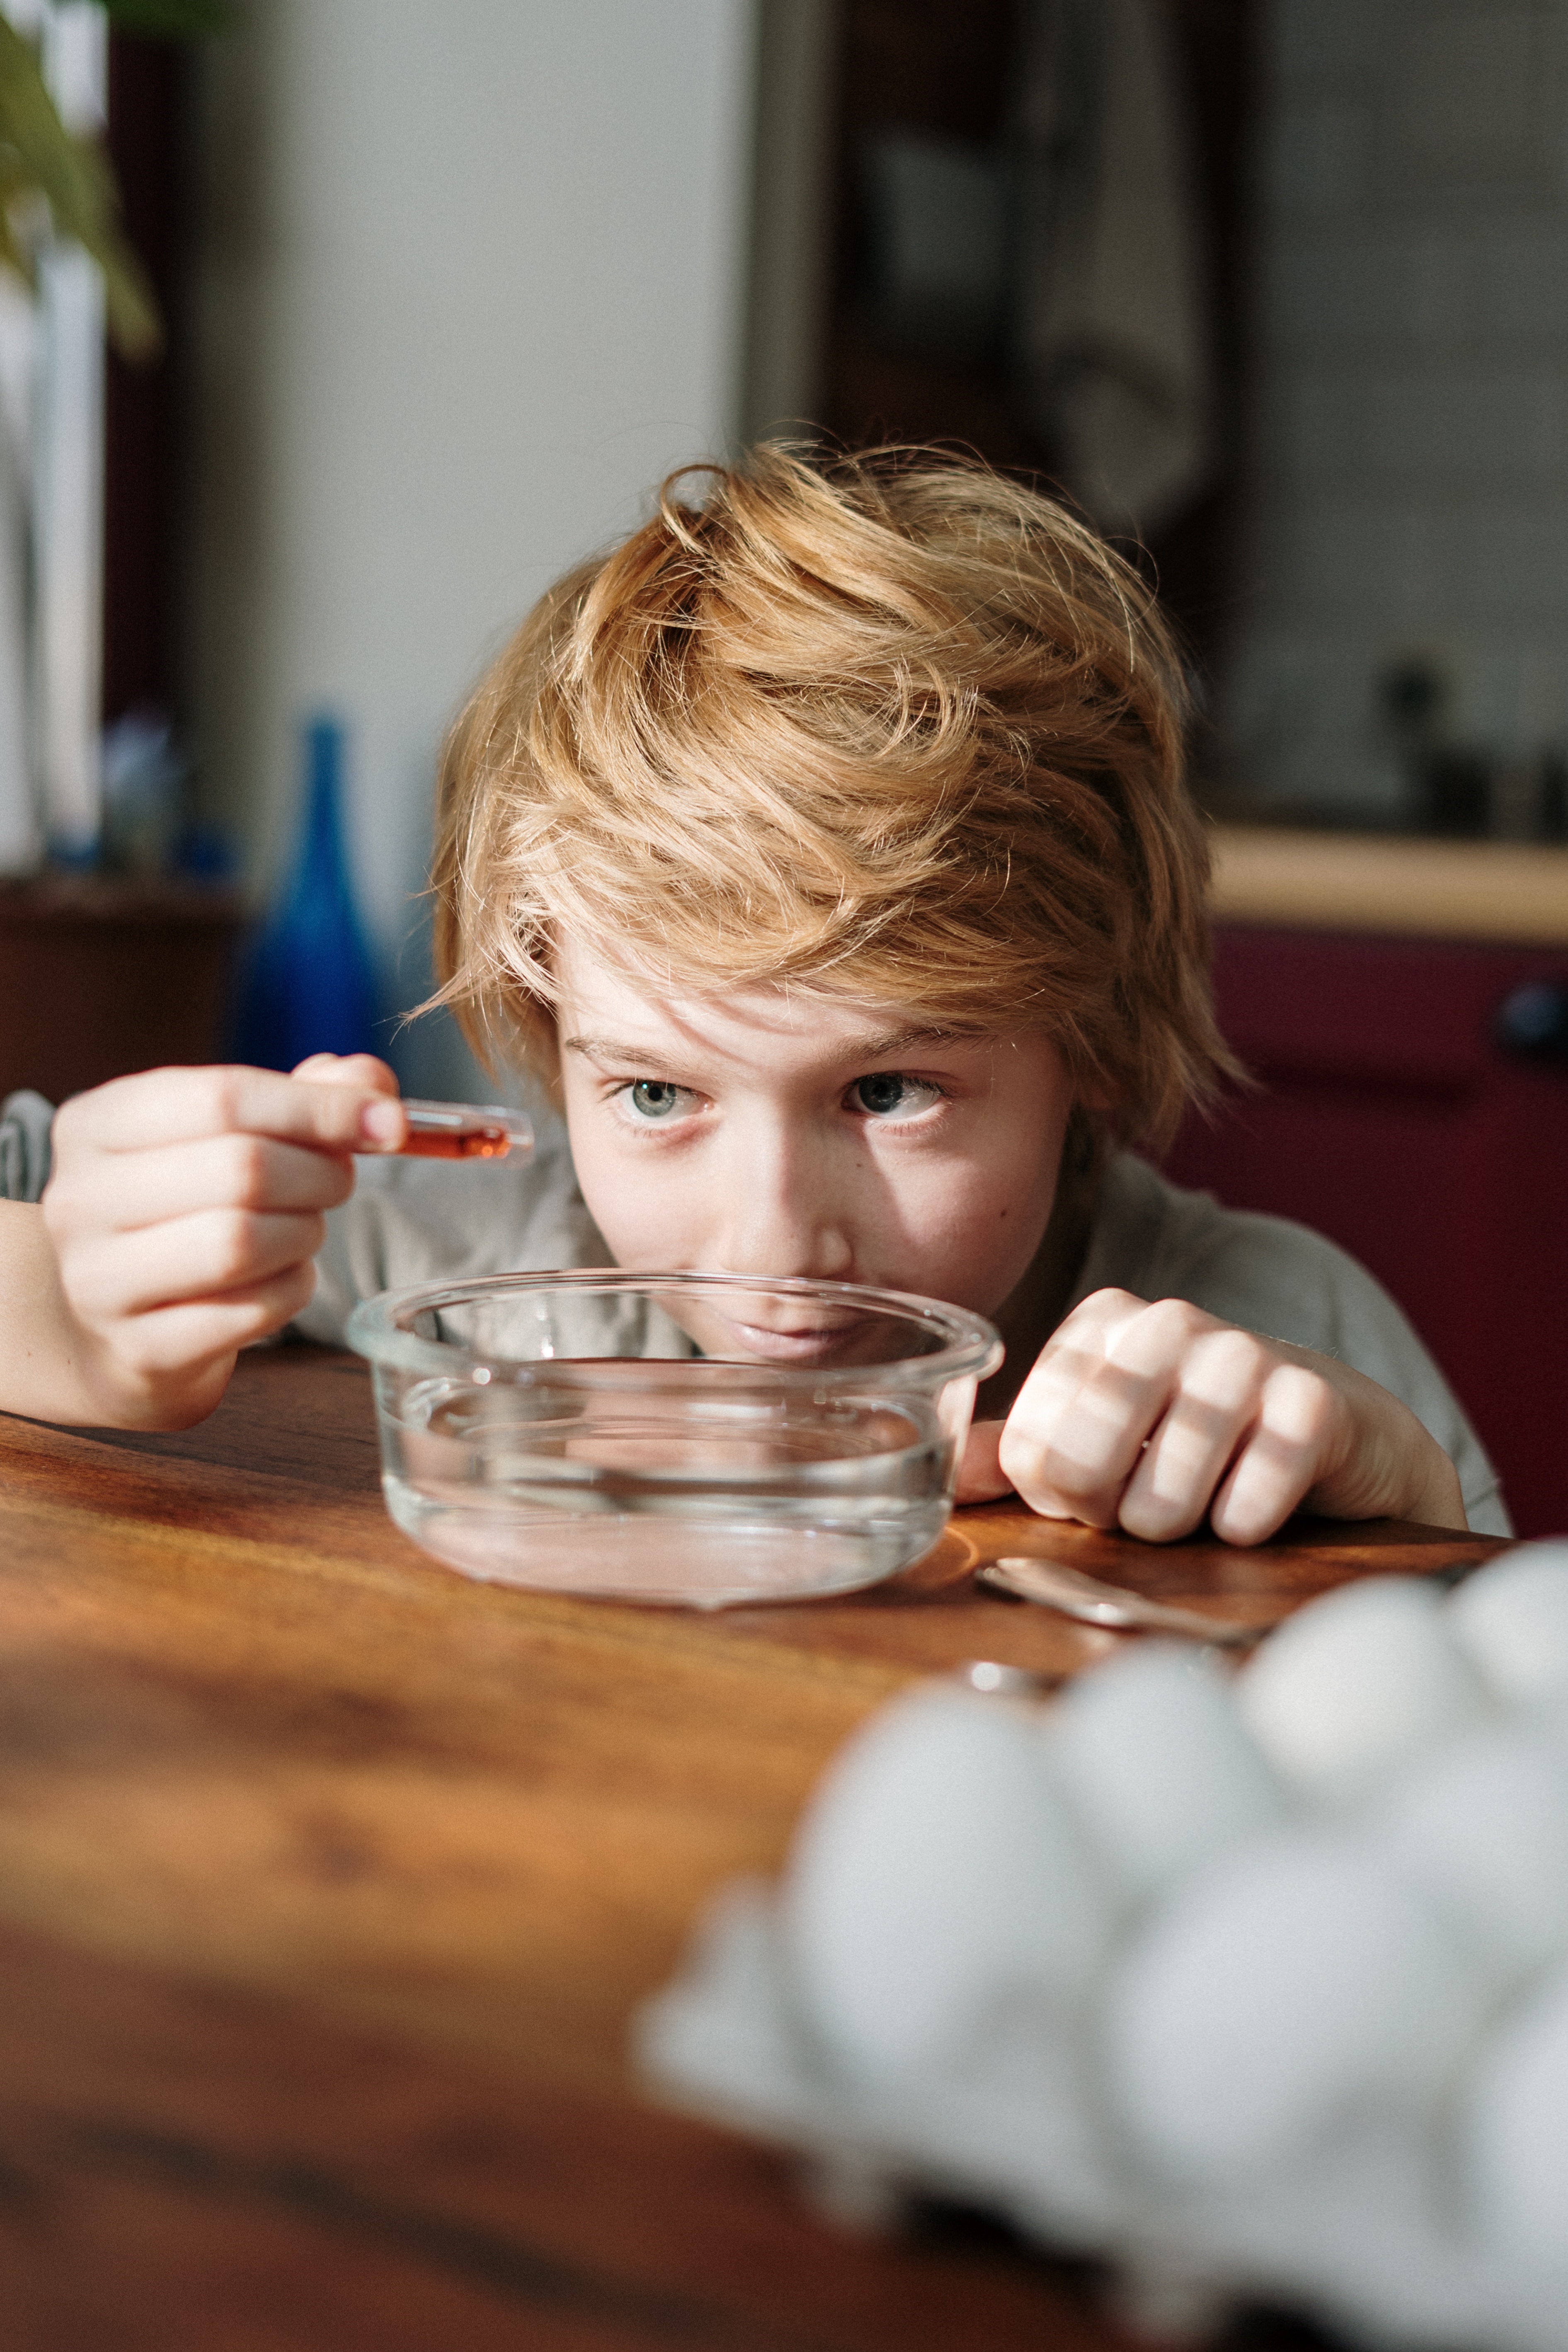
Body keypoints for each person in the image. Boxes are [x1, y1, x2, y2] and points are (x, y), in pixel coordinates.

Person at [0, 447, 1507, 1541]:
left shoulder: (1286, 1332)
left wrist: (1400, 1512)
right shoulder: (463, 1247)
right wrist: (74, 1319)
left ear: (1094, 1039)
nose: (774, 1250)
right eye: (656, 1094)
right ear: (548, 1036)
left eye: (888, 1091)